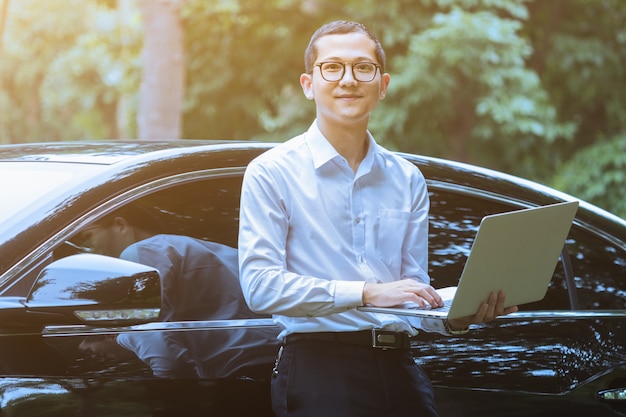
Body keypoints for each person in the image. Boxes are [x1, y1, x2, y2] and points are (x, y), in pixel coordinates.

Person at [238, 20, 518, 417]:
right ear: (308, 84)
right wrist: (367, 292)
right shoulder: (271, 172)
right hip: (321, 372)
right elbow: (260, 286)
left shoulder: (407, 178)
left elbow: (411, 292)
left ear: (382, 85)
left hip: (400, 369)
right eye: (332, 67)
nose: (348, 79)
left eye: (363, 68)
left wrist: (456, 317)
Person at [77, 203, 279, 379]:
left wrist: (168, 397)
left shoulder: (140, 252)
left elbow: (162, 351)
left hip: (241, 371)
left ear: (120, 225)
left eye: (88, 237)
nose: (86, 250)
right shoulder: (201, 250)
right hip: (270, 361)